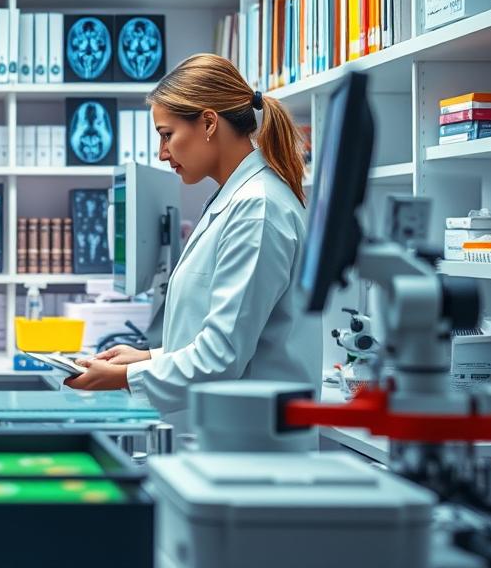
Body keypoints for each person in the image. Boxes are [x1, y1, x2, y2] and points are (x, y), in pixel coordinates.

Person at [65, 53, 317, 430]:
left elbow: (221, 357)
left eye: (167, 135)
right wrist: (145, 358)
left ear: (209, 123)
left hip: (253, 442)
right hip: (228, 433)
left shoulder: (257, 208)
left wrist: (123, 378)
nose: (162, 153)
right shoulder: (233, 200)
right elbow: (219, 337)